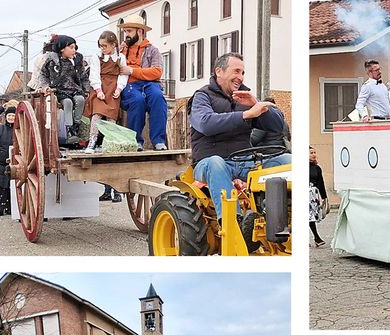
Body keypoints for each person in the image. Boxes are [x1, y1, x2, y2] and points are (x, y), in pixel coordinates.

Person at [189, 52, 292, 221]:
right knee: (216, 163)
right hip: (209, 163)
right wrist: (246, 115)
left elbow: (277, 126)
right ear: (219, 71)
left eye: (243, 73)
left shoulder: (245, 97)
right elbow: (206, 124)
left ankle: (283, 217)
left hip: (246, 162)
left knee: (288, 160)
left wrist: (256, 104)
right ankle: (232, 222)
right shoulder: (202, 96)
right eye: (236, 71)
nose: (240, 77)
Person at [118, 16, 168, 151]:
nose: (126, 35)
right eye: (125, 31)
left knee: (158, 97)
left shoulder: (152, 50)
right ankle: (136, 142)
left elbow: (157, 72)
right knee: (137, 100)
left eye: (129, 31)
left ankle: (159, 141)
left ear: (139, 32)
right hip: (129, 86)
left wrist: (131, 71)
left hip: (150, 84)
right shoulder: (120, 51)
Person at [39, 35, 91, 143]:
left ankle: (76, 126)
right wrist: (45, 86)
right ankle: (69, 129)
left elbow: (83, 76)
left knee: (80, 99)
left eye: (75, 48)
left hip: (74, 88)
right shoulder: (52, 61)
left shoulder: (77, 61)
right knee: (68, 103)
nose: (74, 50)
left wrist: (86, 90)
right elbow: (43, 74)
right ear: (62, 49)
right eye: (71, 47)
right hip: (59, 90)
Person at [84, 30, 129, 153]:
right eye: (100, 46)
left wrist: (119, 88)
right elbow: (94, 74)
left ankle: (109, 141)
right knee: (97, 113)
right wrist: (98, 90)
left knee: (111, 115)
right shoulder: (97, 57)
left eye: (105, 45)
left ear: (113, 45)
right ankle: (92, 140)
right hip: (100, 87)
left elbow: (123, 75)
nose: (102, 48)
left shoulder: (120, 57)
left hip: (113, 88)